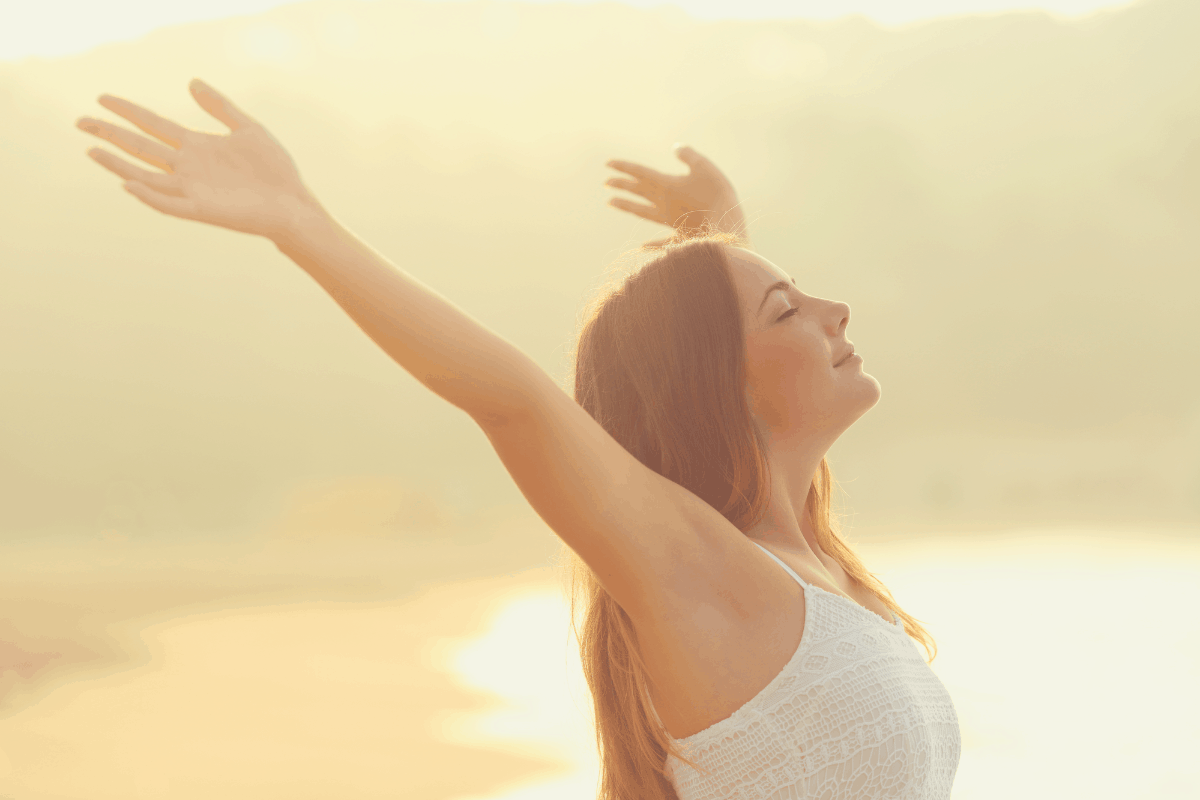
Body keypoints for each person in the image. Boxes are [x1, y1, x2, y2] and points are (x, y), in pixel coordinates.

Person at [76, 80, 961, 800]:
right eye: (790, 309)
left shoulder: (801, 567)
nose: (835, 310)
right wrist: (300, 221)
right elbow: (513, 401)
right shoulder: (704, 574)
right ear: (718, 384)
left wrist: (721, 237)